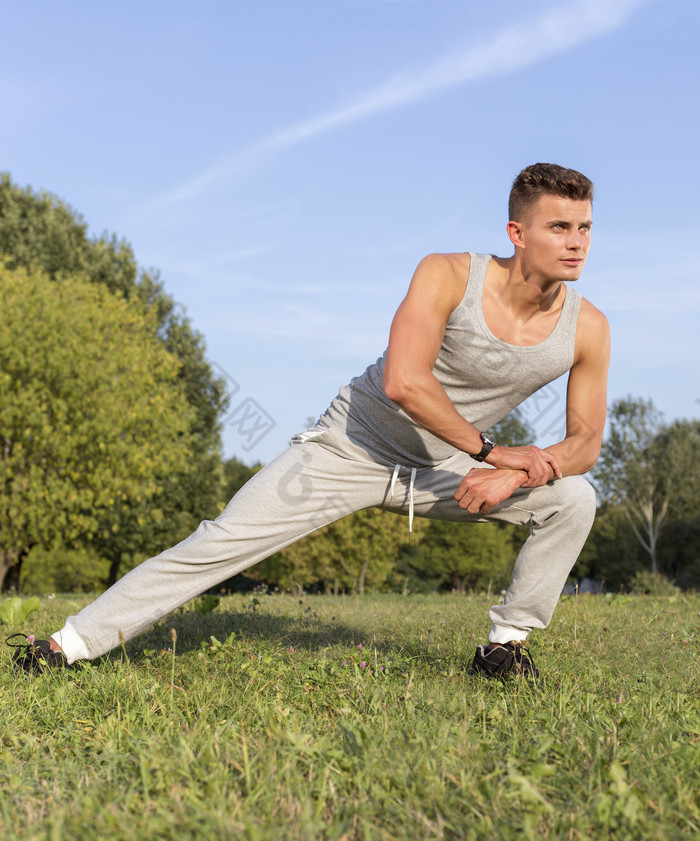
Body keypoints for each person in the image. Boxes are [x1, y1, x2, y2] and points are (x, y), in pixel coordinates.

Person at [9, 162, 609, 680]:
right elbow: (405, 382)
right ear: (517, 232)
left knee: (572, 500)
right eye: (559, 226)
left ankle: (504, 649)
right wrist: (495, 454)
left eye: (583, 226)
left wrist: (520, 474)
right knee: (219, 542)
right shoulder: (448, 274)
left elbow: (586, 440)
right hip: (349, 448)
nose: (576, 241)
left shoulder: (587, 327)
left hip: (444, 468)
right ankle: (65, 646)